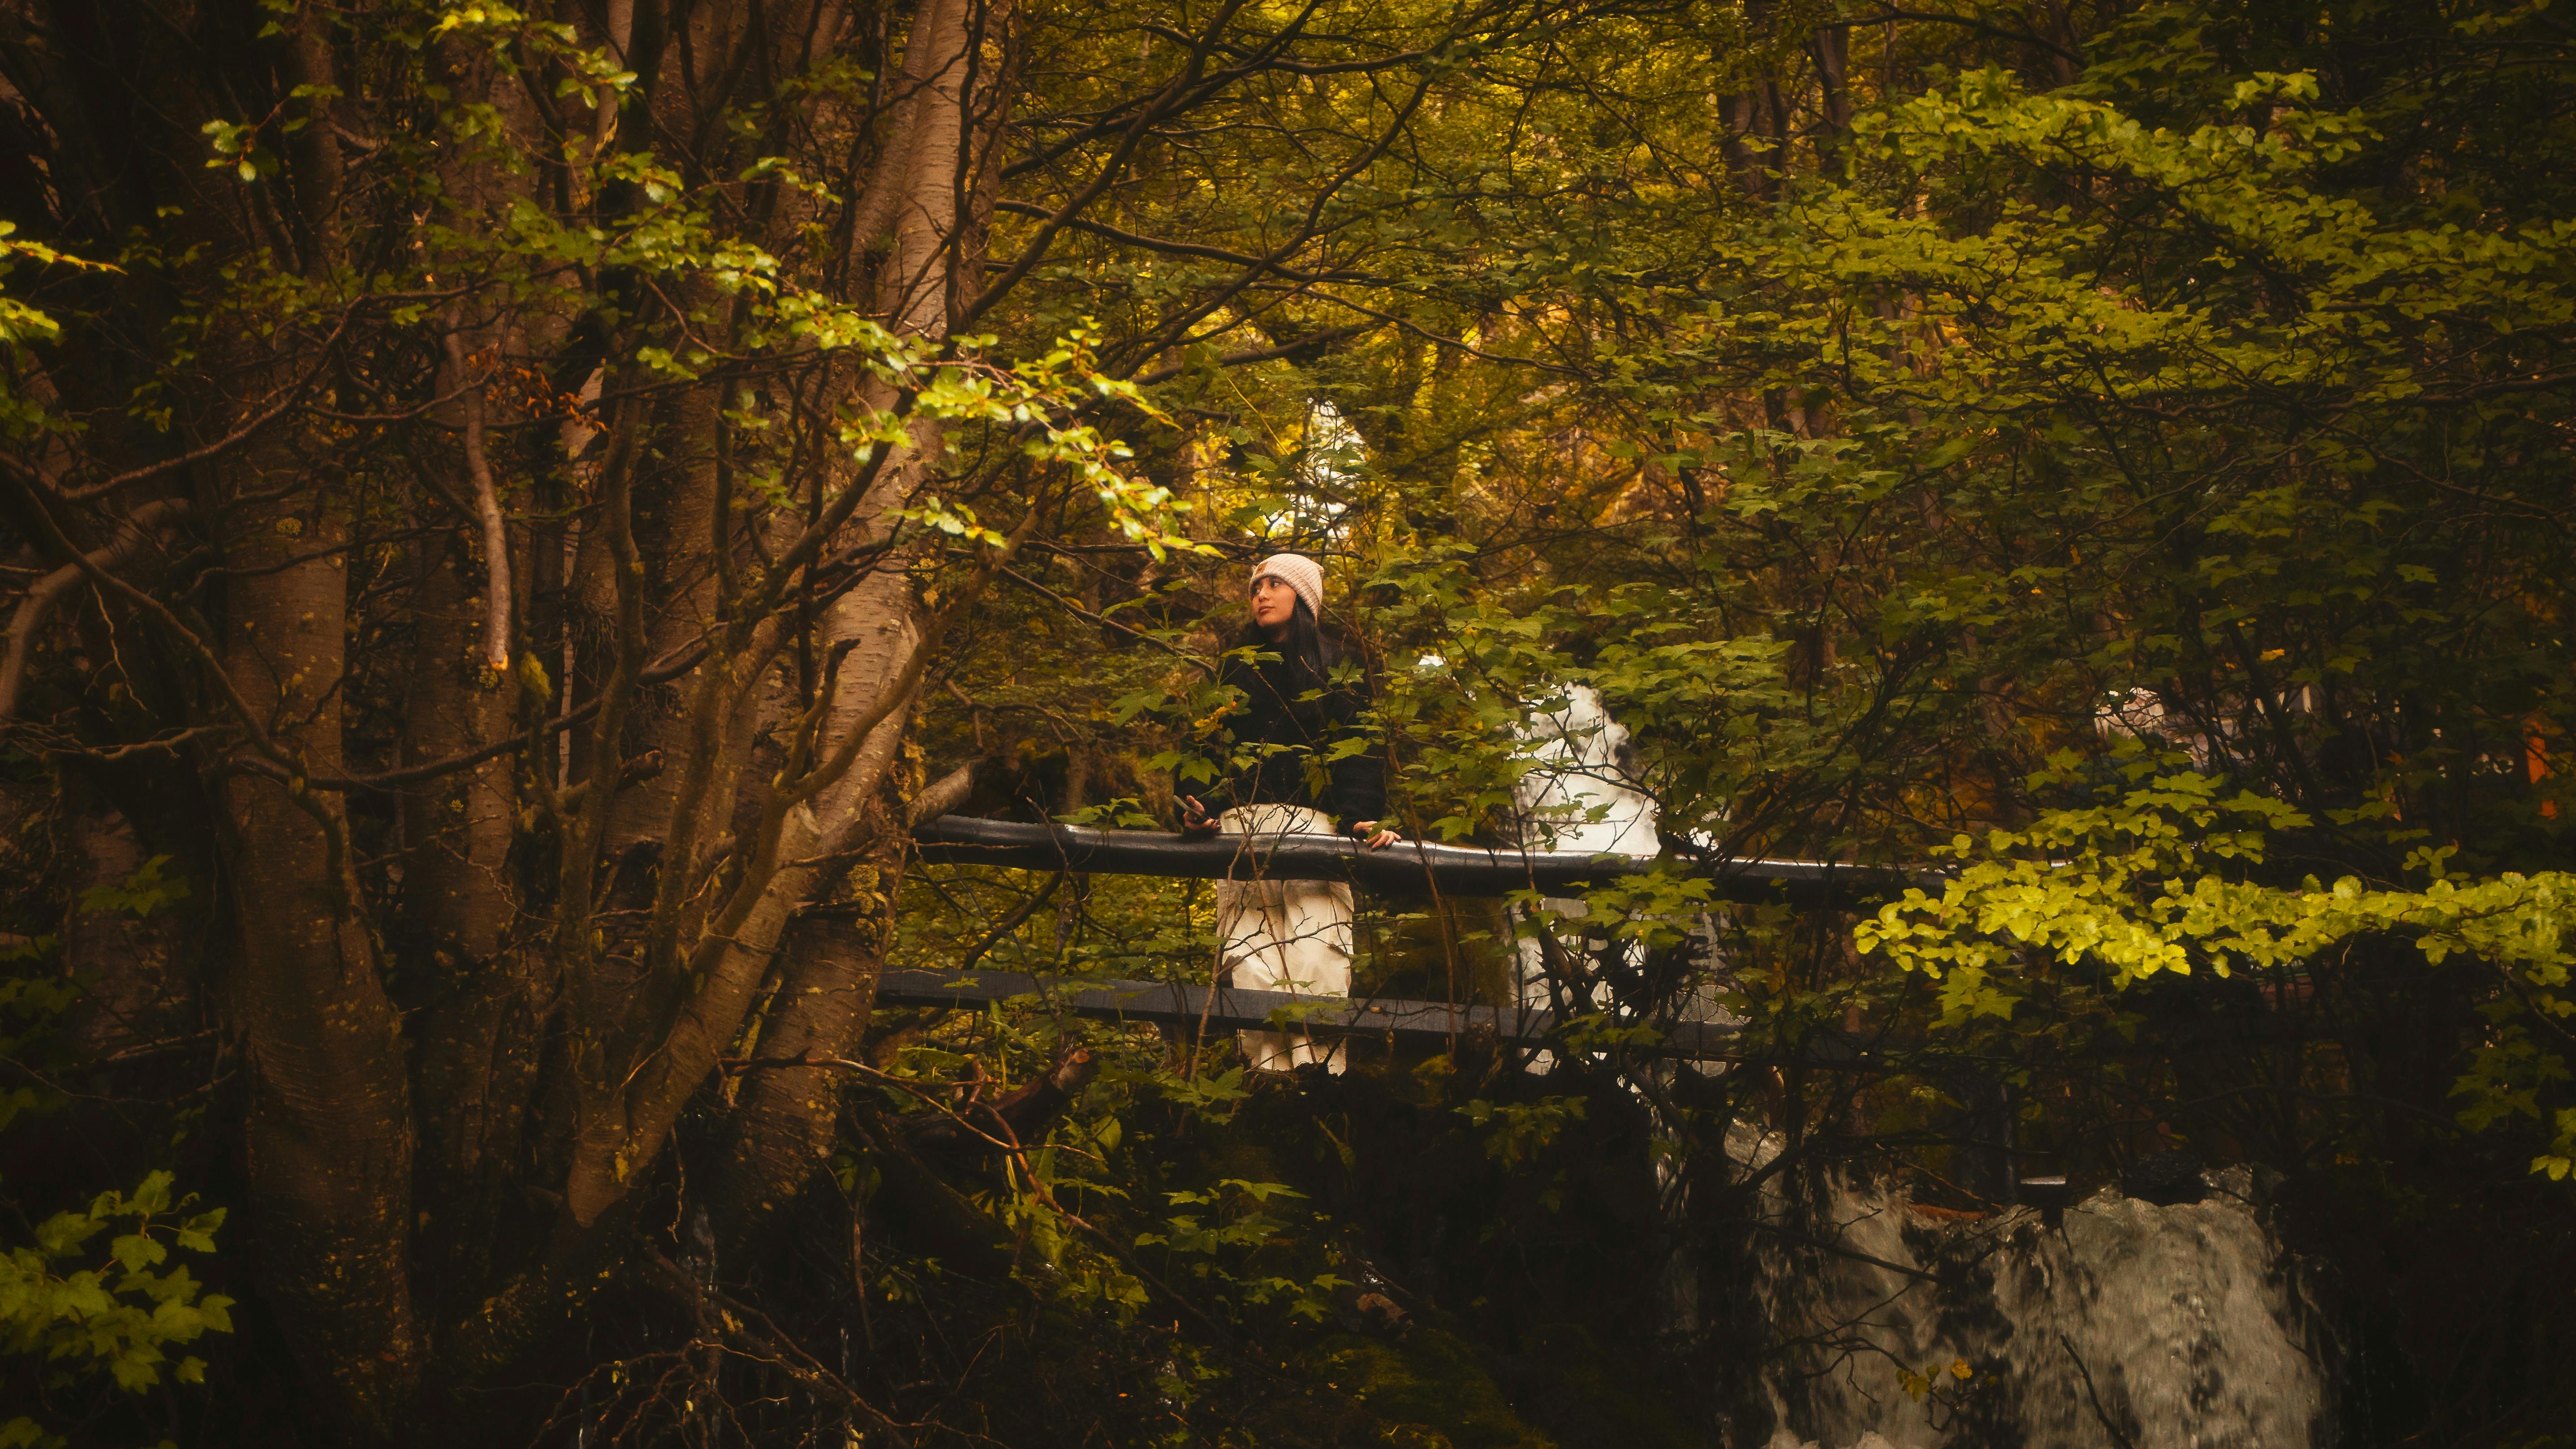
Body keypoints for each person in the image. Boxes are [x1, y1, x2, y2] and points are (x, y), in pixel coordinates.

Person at [1179, 553, 1397, 1071]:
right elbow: (1202, 745)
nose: (1261, 593)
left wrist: (1360, 817)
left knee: (1317, 953)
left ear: (1302, 597)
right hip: (1239, 828)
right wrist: (1197, 807)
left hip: (1314, 830)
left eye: (1274, 584)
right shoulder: (1234, 668)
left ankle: (1318, 1078)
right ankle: (1265, 1084)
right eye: (1257, 586)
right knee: (1250, 962)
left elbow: (1360, 747)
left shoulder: (1340, 665)